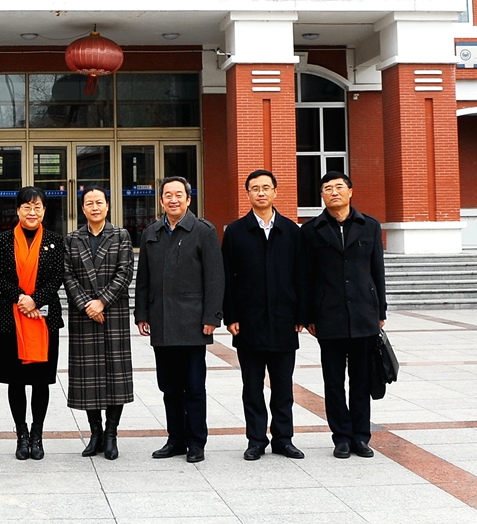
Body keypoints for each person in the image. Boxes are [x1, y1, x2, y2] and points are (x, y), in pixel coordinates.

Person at [134, 176, 223, 464]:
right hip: (161, 321)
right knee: (169, 388)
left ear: (188, 199)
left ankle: (196, 441)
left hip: (193, 322)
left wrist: (212, 316)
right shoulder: (152, 232)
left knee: (194, 387)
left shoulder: (203, 231)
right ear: (161, 200)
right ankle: (175, 439)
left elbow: (215, 277)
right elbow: (143, 278)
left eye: (178, 194)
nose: (173, 199)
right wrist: (141, 313)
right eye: (168, 195)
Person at [222, 170, 308, 462]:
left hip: (284, 320)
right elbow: (227, 278)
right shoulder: (235, 232)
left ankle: (284, 439)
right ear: (247, 194)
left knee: (283, 387)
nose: (261, 192)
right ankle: (256, 440)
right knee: (252, 387)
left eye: (266, 188)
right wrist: (231, 315)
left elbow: (301, 275)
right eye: (255, 188)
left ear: (275, 192)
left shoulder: (292, 231)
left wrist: (301, 314)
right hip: (249, 322)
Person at [303, 170, 387, 460]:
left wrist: (381, 309)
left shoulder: (369, 226)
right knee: (334, 382)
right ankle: (340, 437)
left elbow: (377, 271)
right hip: (329, 317)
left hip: (364, 314)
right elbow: (306, 277)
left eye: (339, 187)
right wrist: (309, 314)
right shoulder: (310, 230)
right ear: (322, 196)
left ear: (350, 191)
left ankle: (361, 437)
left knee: (361, 381)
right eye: (327, 188)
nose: (334, 192)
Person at [0, 187, 64, 461]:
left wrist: (35, 300)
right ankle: (21, 434)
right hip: (11, 319)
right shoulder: (4, 239)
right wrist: (21, 298)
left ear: (44, 210)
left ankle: (37, 434)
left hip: (45, 320)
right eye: (27, 207)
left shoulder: (55, 240)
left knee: (40, 381)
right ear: (18, 210)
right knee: (16, 381)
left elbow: (57, 277)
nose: (32, 212)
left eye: (37, 207)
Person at [63, 185, 134, 460]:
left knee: (116, 375)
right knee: (88, 377)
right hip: (84, 315)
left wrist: (101, 301)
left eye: (99, 202)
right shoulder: (73, 238)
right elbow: (67, 275)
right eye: (89, 203)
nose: (95, 207)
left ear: (108, 206)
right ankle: (95, 433)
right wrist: (86, 304)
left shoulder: (121, 235)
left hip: (112, 313)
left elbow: (124, 273)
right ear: (83, 209)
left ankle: (112, 434)